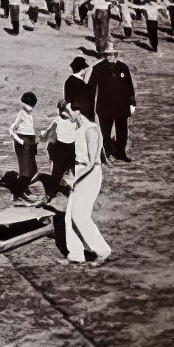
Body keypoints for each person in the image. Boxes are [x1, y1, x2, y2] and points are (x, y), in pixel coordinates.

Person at [63, 100, 110, 265]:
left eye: (68, 113)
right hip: (79, 174)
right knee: (69, 216)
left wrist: (74, 179)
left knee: (80, 216)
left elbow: (92, 162)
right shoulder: (79, 128)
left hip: (89, 176)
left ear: (77, 111)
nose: (67, 117)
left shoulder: (91, 129)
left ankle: (102, 250)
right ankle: (76, 255)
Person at [88, 46, 136, 162]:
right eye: (109, 54)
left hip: (122, 106)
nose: (111, 56)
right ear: (105, 55)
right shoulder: (98, 68)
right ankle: (107, 154)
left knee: (122, 132)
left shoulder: (123, 68)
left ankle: (121, 153)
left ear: (116, 55)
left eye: (113, 54)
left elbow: (129, 86)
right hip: (105, 106)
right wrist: (88, 104)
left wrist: (132, 102)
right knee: (105, 132)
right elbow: (91, 87)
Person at [8, 92, 38, 181]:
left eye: (33, 105)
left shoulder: (28, 115)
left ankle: (24, 187)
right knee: (25, 171)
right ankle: (20, 189)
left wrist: (34, 141)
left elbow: (28, 129)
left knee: (33, 170)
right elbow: (11, 129)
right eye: (30, 105)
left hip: (30, 142)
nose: (32, 107)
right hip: (24, 142)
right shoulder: (22, 114)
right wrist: (19, 140)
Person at [63, 57, 94, 122]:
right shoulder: (81, 84)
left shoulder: (69, 81)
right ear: (82, 69)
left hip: (77, 113)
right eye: (84, 68)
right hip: (85, 116)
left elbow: (67, 99)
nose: (85, 70)